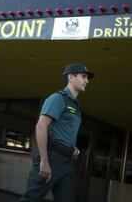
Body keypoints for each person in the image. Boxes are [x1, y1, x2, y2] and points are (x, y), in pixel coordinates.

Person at [19, 63, 94, 202]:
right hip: (52, 158)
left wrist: (72, 147)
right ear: (71, 77)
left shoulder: (75, 105)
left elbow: (63, 131)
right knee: (32, 199)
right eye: (84, 77)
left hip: (67, 161)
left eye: (87, 78)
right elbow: (41, 126)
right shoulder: (58, 98)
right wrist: (44, 160)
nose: (87, 81)